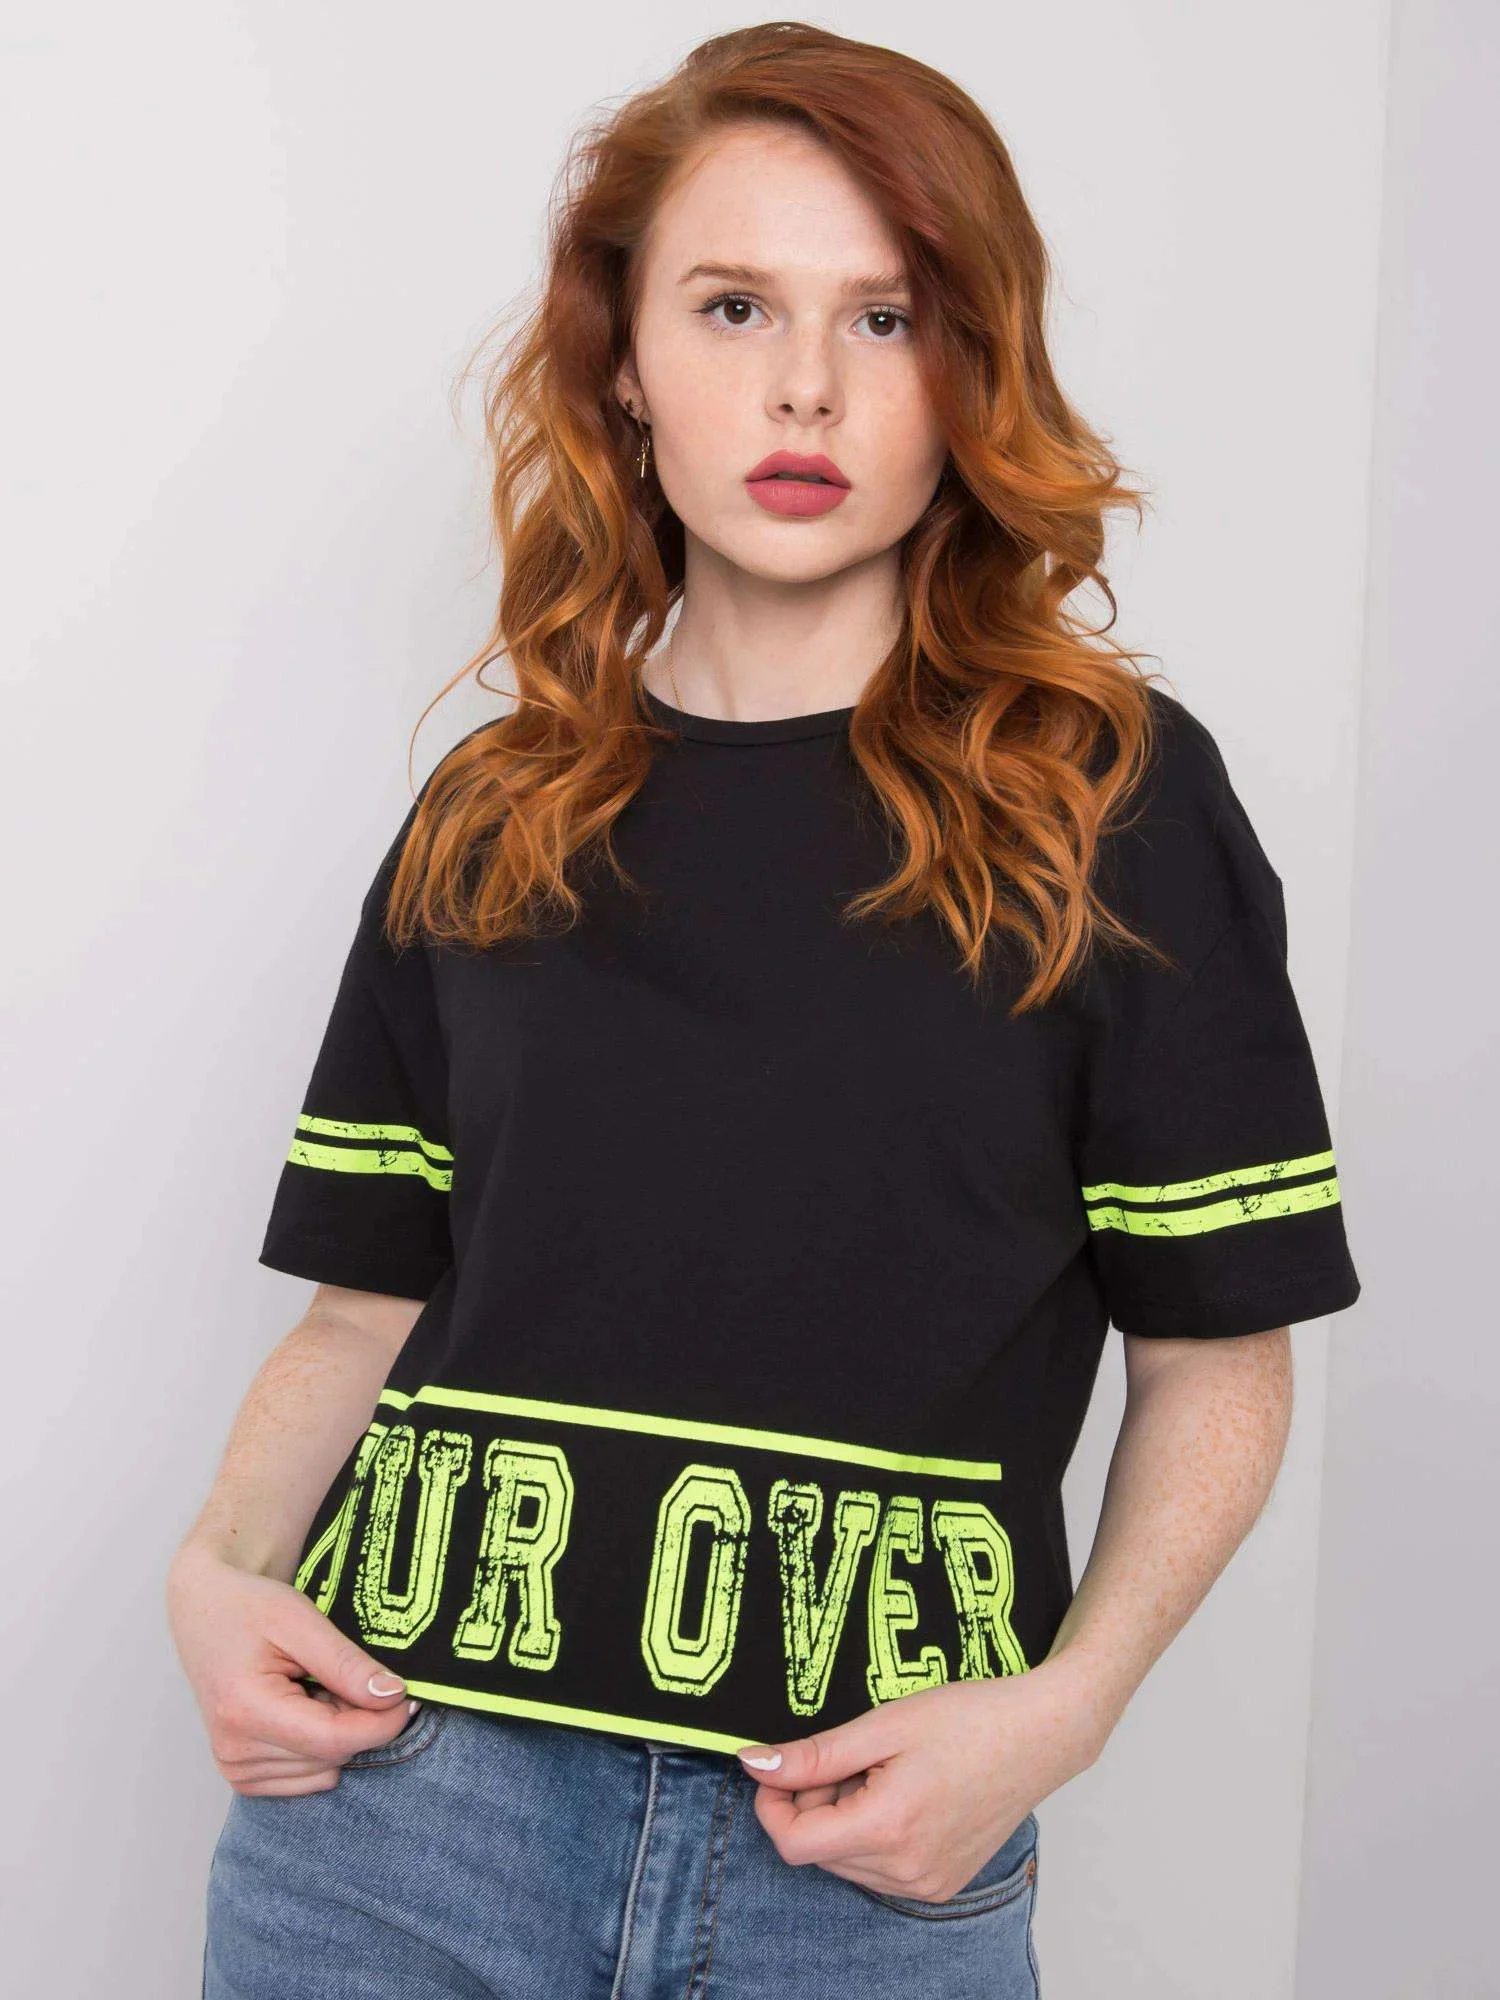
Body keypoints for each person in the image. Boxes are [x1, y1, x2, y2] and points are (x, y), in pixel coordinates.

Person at [169, 23, 1361, 1998]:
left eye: (887, 318)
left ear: (969, 367)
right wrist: (218, 1569)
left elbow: (1217, 1357)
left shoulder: (1107, 800)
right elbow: (360, 1311)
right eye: (734, 307)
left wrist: (1065, 1709)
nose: (808, 384)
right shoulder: (492, 810)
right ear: (625, 359)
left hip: (855, 1858)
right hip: (396, 1818)